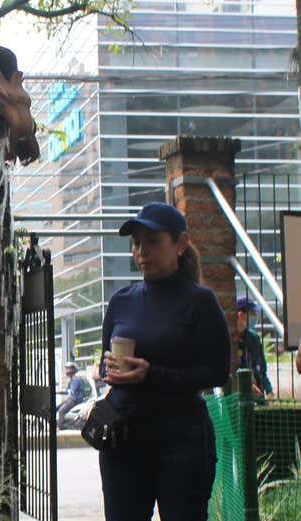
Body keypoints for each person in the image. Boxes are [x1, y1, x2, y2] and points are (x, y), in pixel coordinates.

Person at [99, 202, 230, 521]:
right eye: (137, 243)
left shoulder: (200, 301)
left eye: (153, 241)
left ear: (181, 244)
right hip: (123, 442)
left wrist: (152, 374)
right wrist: (108, 370)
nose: (142, 251)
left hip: (181, 441)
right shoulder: (121, 301)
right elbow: (106, 362)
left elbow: (217, 372)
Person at [236, 296, 274, 399]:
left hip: (259, 395)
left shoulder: (253, 338)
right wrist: (247, 385)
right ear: (240, 315)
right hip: (240, 397)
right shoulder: (231, 340)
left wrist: (269, 390)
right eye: (251, 314)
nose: (254, 318)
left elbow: (261, 368)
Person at [57, 361, 85, 428]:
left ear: (73, 370)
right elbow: (67, 391)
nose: (67, 371)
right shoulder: (71, 380)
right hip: (71, 399)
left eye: (68, 369)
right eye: (66, 369)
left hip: (75, 400)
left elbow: (72, 391)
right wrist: (57, 392)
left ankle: (58, 427)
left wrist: (67, 392)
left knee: (61, 411)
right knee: (56, 408)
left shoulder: (76, 380)